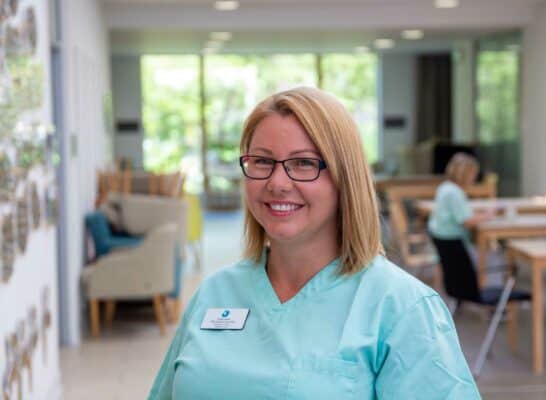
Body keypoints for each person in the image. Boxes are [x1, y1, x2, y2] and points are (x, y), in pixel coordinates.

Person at [148, 87, 481, 399]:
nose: (277, 183)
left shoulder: (401, 307)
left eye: (303, 163)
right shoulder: (214, 294)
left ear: (344, 178)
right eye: (262, 161)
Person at [428, 153, 501, 271]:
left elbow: (460, 213)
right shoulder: (455, 192)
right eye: (473, 174)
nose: (474, 178)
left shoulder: (445, 186)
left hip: (439, 234)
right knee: (466, 278)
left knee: (451, 274)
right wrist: (488, 215)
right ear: (464, 174)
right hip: (450, 238)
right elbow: (466, 221)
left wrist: (480, 214)